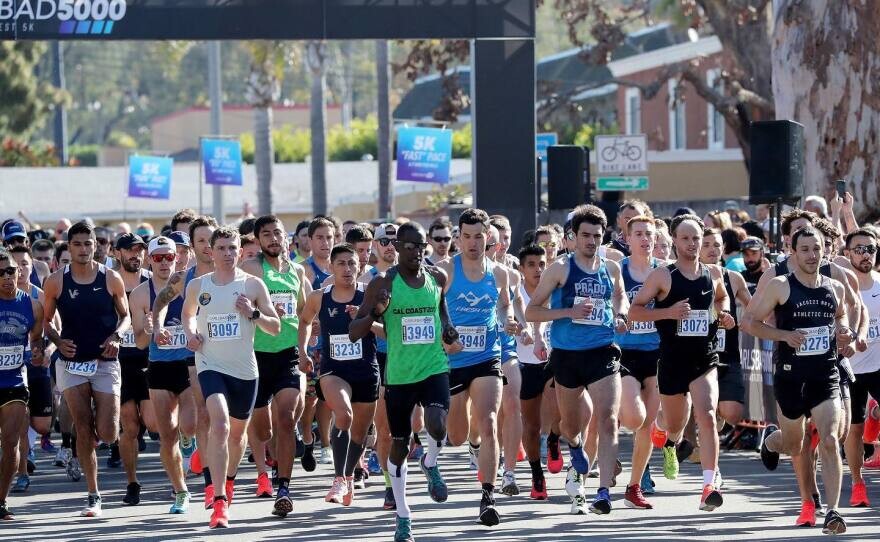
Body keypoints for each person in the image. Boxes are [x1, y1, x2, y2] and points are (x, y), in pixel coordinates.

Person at [349, 221, 461, 542]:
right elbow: (354, 332)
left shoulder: (437, 277)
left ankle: (430, 462)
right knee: (398, 447)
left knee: (438, 425)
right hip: (399, 375)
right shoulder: (382, 283)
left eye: (421, 246)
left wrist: (447, 328)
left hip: (433, 366)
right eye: (409, 246)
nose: (416, 252)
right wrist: (376, 311)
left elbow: (441, 310)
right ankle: (403, 516)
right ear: (397, 248)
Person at [743, 227, 849, 534]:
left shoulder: (834, 286)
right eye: (805, 249)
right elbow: (749, 322)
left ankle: (833, 511)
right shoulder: (780, 285)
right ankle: (772, 441)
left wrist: (844, 331)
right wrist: (784, 335)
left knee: (829, 439)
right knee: (794, 443)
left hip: (824, 374)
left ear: (825, 251)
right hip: (791, 377)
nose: (812, 255)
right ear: (793, 251)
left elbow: (841, 316)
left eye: (817, 249)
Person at [526, 204, 628, 515]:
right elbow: (532, 311)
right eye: (585, 235)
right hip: (567, 356)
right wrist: (568, 312)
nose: (591, 241)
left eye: (597, 236)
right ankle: (573, 445)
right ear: (573, 236)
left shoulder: (611, 268)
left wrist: (621, 315)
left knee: (608, 419)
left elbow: (620, 295)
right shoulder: (560, 268)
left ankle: (603, 492)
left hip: (602, 351)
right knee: (571, 426)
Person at [628, 214, 735, 512]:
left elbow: (721, 298)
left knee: (708, 415)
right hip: (672, 361)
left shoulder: (713, 272)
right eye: (685, 238)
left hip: (704, 358)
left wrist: (724, 314)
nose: (692, 243)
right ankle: (663, 432)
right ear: (674, 240)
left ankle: (709, 486)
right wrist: (668, 312)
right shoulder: (663, 276)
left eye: (696, 238)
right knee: (675, 424)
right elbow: (634, 312)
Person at [181, 227, 280, 528]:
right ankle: (219, 501)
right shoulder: (198, 285)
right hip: (210, 364)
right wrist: (190, 334)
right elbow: (187, 314)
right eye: (221, 248)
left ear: (239, 251)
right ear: (210, 252)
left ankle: (229, 480)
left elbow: (275, 326)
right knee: (220, 425)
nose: (227, 253)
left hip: (244, 371)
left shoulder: (252, 285)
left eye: (232, 248)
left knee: (237, 436)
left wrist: (253, 313)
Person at [43, 220, 130, 518]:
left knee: (107, 432)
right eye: (77, 244)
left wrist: (117, 336)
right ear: (69, 247)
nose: (83, 249)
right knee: (82, 427)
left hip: (105, 362)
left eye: (88, 243)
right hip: (72, 364)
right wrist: (57, 340)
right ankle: (93, 495)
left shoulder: (110, 277)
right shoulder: (56, 281)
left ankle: (95, 429)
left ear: (96, 246)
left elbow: (126, 316)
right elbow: (47, 321)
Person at [437, 208, 514, 524]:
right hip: (453, 360)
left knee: (490, 421)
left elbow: (505, 306)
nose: (472, 243)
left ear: (488, 238)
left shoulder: (499, 273)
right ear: (458, 238)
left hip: (487, 356)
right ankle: (470, 440)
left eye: (478, 236)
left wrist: (509, 320)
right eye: (466, 236)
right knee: (455, 436)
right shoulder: (445, 271)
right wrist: (445, 337)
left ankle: (488, 496)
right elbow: (431, 311)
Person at [239, 215, 310, 517]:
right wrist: (262, 311)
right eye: (266, 234)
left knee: (286, 418)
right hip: (256, 356)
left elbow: (305, 314)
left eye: (277, 233)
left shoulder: (297, 271)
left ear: (286, 237)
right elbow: (236, 307)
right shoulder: (251, 269)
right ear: (258, 240)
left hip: (288, 355)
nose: (273, 239)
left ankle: (284, 487)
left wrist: (305, 347)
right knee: (263, 430)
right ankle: (271, 458)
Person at [299, 244, 380, 506]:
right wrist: (303, 351)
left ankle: (348, 476)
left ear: (360, 266)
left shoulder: (370, 295)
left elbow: (389, 331)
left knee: (360, 432)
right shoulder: (319, 297)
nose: (347, 269)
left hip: (366, 370)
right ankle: (338, 479)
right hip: (333, 369)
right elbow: (304, 321)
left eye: (352, 263)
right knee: (344, 415)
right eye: (341, 264)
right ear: (331, 267)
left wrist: (366, 320)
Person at [152, 215, 217, 509]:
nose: (207, 246)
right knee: (199, 418)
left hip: (229, 356)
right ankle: (207, 485)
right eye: (201, 240)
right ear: (192, 246)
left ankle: (213, 467)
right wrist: (157, 327)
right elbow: (161, 302)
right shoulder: (183, 278)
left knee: (223, 421)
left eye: (211, 239)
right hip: (193, 356)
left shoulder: (234, 274)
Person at [129, 236, 195, 514]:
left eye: (170, 256)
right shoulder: (140, 295)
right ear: (149, 260)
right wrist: (147, 329)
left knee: (190, 425)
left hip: (189, 364)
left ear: (177, 258)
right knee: (166, 435)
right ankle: (180, 491)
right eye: (158, 258)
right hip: (159, 367)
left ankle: (190, 439)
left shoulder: (191, 285)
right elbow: (140, 343)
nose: (165, 262)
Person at [614, 215, 662, 509]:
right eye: (639, 234)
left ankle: (634, 487)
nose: (646, 239)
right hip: (625, 351)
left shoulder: (664, 272)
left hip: (656, 352)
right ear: (628, 239)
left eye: (650, 234)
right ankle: (615, 416)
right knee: (634, 418)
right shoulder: (617, 271)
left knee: (648, 425)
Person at [0, 249, 45, 520]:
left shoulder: (33, 305)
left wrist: (36, 353)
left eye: (10, 271)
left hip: (15, 381)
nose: (6, 277)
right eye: (0, 273)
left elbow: (35, 340)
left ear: (19, 272)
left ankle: (1, 500)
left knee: (11, 443)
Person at [839, 229, 880, 507]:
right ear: (848, 254)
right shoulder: (840, 287)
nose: (866, 255)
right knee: (853, 429)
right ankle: (857, 483)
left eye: (871, 249)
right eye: (859, 249)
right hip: (851, 370)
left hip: (878, 366)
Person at [516, 243, 559, 500]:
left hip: (553, 361)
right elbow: (511, 313)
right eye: (531, 265)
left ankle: (553, 439)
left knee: (560, 412)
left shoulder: (555, 290)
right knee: (531, 425)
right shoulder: (516, 291)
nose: (538, 270)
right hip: (525, 364)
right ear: (521, 269)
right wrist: (516, 327)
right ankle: (536, 475)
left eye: (542, 264)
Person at [303, 217, 335, 290]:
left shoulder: (342, 268)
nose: (325, 242)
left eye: (329, 237)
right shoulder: (302, 270)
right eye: (320, 238)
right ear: (310, 240)